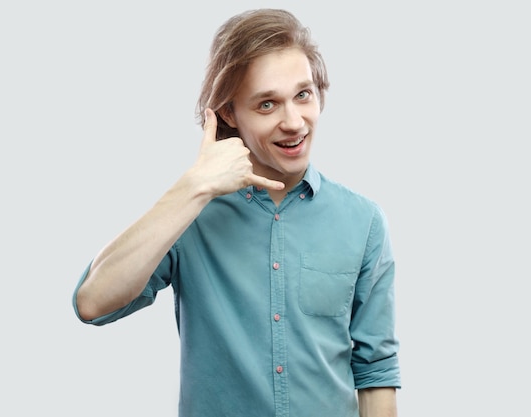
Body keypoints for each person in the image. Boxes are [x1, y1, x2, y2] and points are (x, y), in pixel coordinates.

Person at [73, 8, 401, 417]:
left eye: (303, 94)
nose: (294, 122)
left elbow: (375, 370)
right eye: (267, 104)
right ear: (229, 114)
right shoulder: (193, 214)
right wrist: (194, 187)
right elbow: (92, 302)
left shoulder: (364, 222)